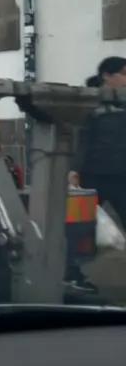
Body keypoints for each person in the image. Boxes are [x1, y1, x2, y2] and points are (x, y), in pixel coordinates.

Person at [67, 56, 126, 292]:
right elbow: (82, 139)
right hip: (94, 176)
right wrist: (74, 169)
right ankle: (72, 275)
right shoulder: (90, 104)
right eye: (123, 73)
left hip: (122, 176)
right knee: (81, 228)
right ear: (106, 76)